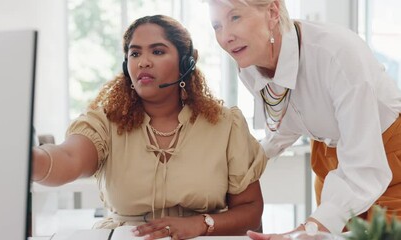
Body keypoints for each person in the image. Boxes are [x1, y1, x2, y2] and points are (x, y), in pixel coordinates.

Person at [32, 14, 267, 240]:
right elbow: (69, 157)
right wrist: (28, 159)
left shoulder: (226, 126)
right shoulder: (105, 122)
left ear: (186, 62)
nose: (143, 61)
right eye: (135, 53)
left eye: (157, 51)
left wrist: (200, 224)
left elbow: (251, 210)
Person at [208, 0, 401, 239]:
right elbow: (288, 117)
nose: (225, 36)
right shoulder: (249, 65)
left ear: (272, 11)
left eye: (235, 18)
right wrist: (250, 158)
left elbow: (365, 167)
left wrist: (304, 231)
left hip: (388, 154)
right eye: (216, 25)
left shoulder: (336, 54)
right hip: (328, 157)